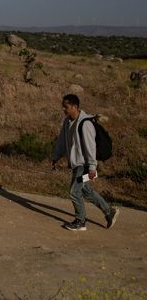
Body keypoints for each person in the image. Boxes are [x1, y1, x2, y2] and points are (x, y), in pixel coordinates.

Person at [51, 94, 119, 231]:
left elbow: (90, 147)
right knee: (86, 190)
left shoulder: (85, 123)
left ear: (75, 107)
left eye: (66, 106)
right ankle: (109, 211)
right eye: (63, 106)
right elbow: (62, 142)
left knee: (74, 191)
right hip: (77, 166)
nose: (63, 109)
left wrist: (93, 168)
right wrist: (55, 157)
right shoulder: (67, 122)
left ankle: (80, 221)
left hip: (86, 166)